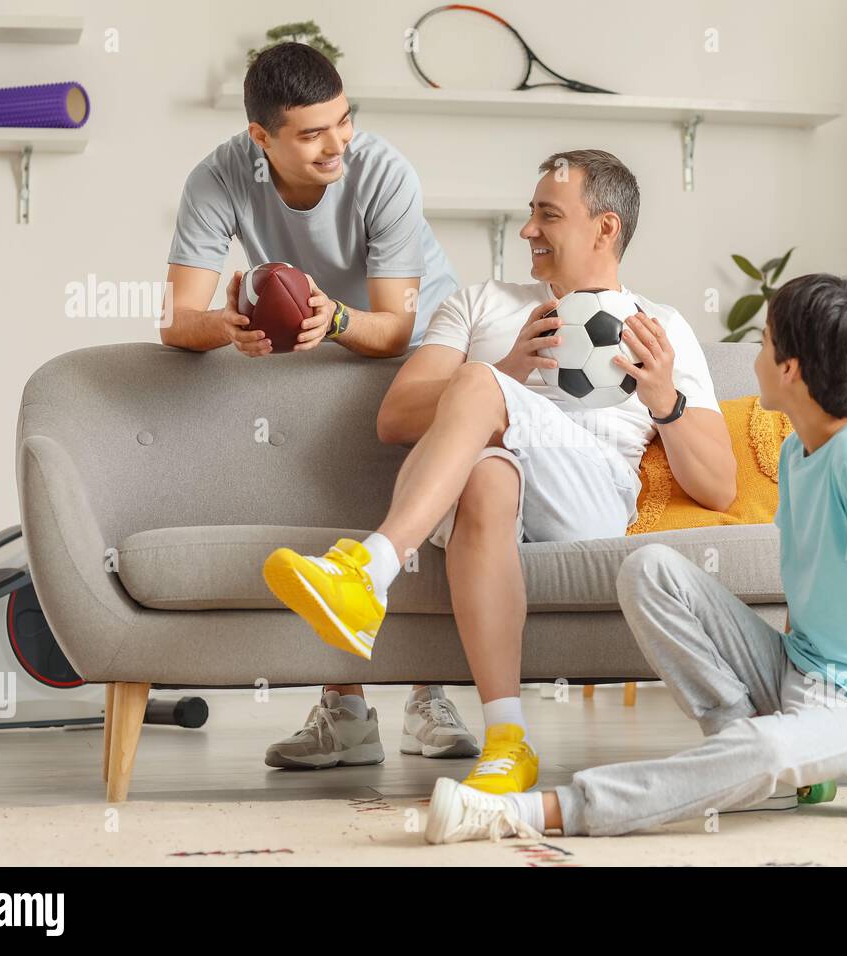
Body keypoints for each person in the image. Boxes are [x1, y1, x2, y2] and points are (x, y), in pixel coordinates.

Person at [419, 273, 847, 843]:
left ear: (790, 370)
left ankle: (537, 810)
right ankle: (735, 733)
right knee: (649, 568)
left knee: (766, 751)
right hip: (793, 668)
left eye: (766, 341)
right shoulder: (803, 452)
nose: (756, 353)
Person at [262, 148, 736, 794]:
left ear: (605, 229)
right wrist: (508, 371)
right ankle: (508, 739)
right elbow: (396, 417)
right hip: (486, 500)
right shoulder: (480, 302)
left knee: (480, 385)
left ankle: (368, 570)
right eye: (529, 213)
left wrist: (665, 401)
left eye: (548, 215)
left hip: (590, 503)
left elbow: (718, 485)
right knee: (488, 472)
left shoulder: (661, 328)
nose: (528, 231)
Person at [160, 42, 477, 768]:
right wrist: (232, 324)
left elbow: (395, 324)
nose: (337, 144)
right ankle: (345, 712)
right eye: (311, 133)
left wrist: (334, 319)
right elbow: (179, 320)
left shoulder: (383, 172)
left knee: (411, 506)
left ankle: (427, 696)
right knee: (326, 505)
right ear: (261, 139)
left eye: (344, 121)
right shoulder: (218, 178)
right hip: (316, 337)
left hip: (417, 338)